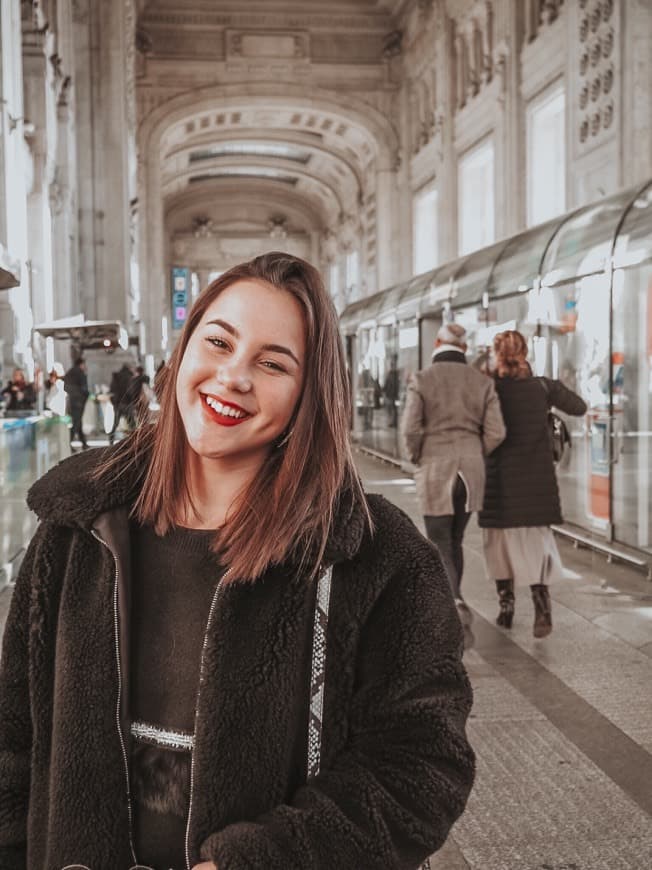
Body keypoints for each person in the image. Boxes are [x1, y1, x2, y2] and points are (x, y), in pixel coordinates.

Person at [0, 252, 475, 870]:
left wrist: (260, 860)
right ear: (183, 350)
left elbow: (422, 764)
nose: (232, 377)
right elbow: (14, 739)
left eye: (273, 363)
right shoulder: (79, 528)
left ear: (310, 392)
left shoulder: (374, 556)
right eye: (218, 342)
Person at [401, 323, 506, 645]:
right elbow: (496, 432)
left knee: (438, 541)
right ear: (464, 347)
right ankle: (454, 601)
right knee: (455, 540)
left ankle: (455, 603)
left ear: (437, 343)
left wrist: (418, 456)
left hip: (436, 468)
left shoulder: (422, 378)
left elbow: (411, 428)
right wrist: (474, 452)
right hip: (471, 470)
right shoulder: (482, 381)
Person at [479, 330, 587, 638]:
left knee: (499, 547)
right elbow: (579, 407)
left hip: (499, 484)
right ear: (525, 352)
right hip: (536, 485)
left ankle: (506, 608)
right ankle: (542, 609)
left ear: (495, 354)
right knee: (537, 548)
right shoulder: (542, 387)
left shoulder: (488, 388)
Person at [63, 356, 90, 448]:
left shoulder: (70, 372)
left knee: (78, 422)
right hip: (78, 401)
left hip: (73, 400)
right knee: (76, 422)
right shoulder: (80, 373)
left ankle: (84, 443)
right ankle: (68, 443)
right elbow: (84, 388)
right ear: (81, 364)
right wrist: (85, 395)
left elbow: (65, 387)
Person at [109, 362, 134, 443]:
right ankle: (134, 441)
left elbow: (112, 390)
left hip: (117, 403)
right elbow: (130, 391)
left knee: (115, 423)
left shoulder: (116, 377)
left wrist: (114, 402)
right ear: (129, 368)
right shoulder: (129, 377)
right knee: (131, 424)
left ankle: (111, 441)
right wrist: (133, 401)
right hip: (126, 403)